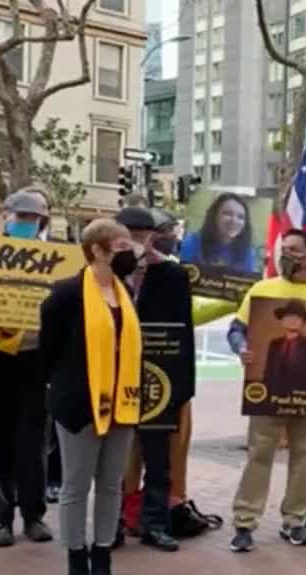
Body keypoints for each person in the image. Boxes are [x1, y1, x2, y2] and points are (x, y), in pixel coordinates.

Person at [226, 228, 306, 553]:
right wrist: (240, 348)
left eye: (295, 250)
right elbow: (237, 329)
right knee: (259, 454)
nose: (286, 255)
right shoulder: (262, 290)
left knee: (305, 456)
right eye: (283, 248)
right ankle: (244, 521)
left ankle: (295, 520)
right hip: (267, 391)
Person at [40, 219, 144, 575]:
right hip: (79, 405)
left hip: (123, 403)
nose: (129, 253)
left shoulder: (126, 292)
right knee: (76, 486)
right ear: (97, 250)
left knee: (111, 486)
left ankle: (102, 557)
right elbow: (48, 351)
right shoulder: (66, 294)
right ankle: (76, 559)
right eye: (121, 246)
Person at [112, 207, 194, 553]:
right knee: (112, 458)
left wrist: (181, 387)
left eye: (143, 233)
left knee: (158, 457)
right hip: (113, 378)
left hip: (158, 378)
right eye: (128, 232)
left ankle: (155, 523)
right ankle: (111, 524)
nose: (135, 239)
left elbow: (184, 332)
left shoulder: (172, 275)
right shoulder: (100, 274)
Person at [0, 190, 54, 547]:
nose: (27, 223)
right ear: (6, 216)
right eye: (21, 217)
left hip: (35, 360)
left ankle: (33, 514)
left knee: (34, 441)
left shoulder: (56, 260)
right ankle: (0, 516)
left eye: (34, 219)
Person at [179, 193, 257, 274]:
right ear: (214, 216)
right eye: (228, 213)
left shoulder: (248, 252)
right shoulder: (192, 243)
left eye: (240, 217)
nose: (234, 220)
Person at [263, 300, 306, 395]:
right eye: (289, 317)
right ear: (282, 321)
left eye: (297, 317)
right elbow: (268, 375)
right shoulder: (274, 345)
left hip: (299, 401)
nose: (293, 320)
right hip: (273, 398)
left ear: (303, 322)